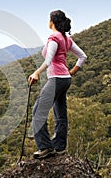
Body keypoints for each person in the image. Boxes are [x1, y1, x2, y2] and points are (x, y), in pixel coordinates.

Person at [28, 10, 87, 159]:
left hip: (56, 79)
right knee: (60, 113)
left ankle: (45, 147)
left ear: (51, 22)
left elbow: (48, 61)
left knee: (38, 112)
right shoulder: (66, 39)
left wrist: (36, 73)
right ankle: (59, 147)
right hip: (65, 79)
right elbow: (82, 56)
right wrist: (71, 72)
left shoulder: (54, 38)